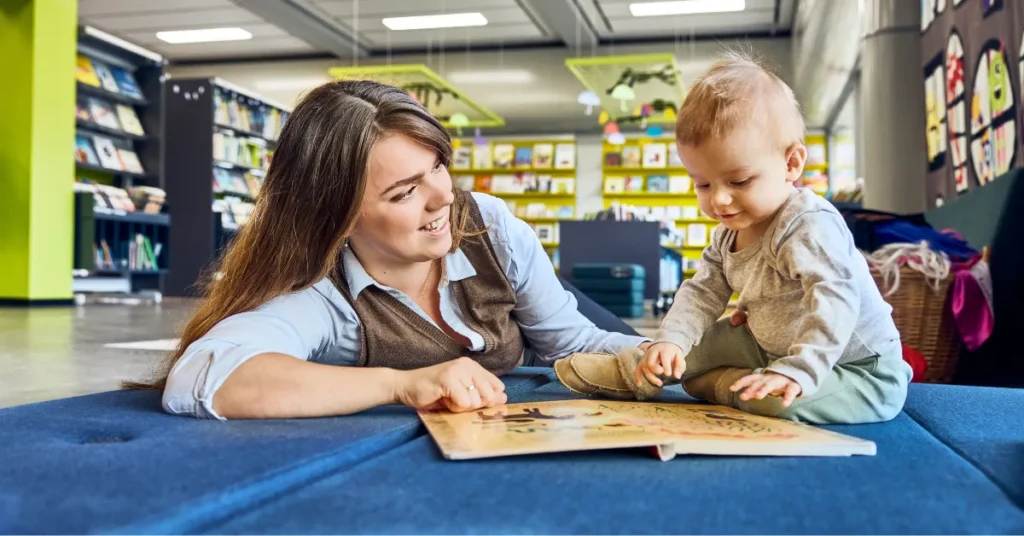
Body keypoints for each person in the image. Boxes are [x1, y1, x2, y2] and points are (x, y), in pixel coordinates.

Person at [129, 79, 650, 420]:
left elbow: (569, 341)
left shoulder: (487, 221)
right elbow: (202, 376)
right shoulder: (321, 292)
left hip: (547, 310)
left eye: (439, 166)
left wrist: (662, 354)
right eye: (405, 192)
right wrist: (402, 384)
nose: (444, 197)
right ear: (337, 214)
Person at [555, 52, 912, 424]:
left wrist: (799, 369)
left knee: (775, 402)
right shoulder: (728, 232)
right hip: (765, 344)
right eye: (703, 184)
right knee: (699, 342)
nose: (719, 199)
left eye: (739, 182)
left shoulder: (809, 224)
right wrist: (671, 341)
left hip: (851, 367)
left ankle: (722, 386)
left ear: (791, 164)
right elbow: (702, 292)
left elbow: (834, 300)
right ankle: (634, 372)